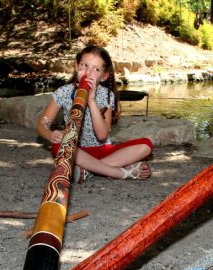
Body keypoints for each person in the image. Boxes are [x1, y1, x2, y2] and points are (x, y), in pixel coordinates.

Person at [36, 45, 153, 183]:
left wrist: (91, 101)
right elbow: (41, 125)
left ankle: (88, 171)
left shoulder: (106, 95)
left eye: (96, 69)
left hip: (103, 150)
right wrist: (50, 135)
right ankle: (120, 172)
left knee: (146, 145)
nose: (88, 72)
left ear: (104, 76)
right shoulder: (64, 92)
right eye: (84, 65)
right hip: (77, 151)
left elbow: (102, 135)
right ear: (76, 66)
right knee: (59, 147)